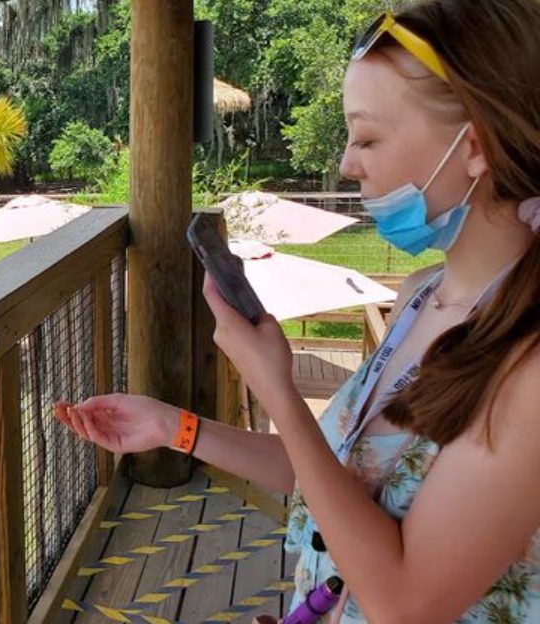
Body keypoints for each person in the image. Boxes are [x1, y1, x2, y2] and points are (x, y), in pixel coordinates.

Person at [55, 1, 540, 622]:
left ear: (475, 145)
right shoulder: (421, 295)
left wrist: (273, 385)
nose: (346, 162)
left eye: (366, 136)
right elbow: (331, 474)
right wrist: (174, 427)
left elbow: (405, 602)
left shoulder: (527, 362)